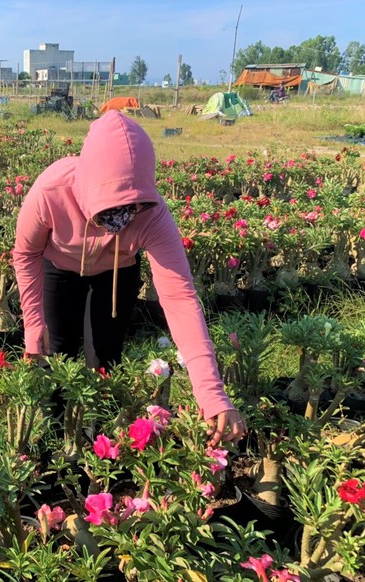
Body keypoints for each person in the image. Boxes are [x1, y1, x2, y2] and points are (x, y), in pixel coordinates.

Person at [12, 110, 245, 445]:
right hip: (59, 269)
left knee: (104, 359)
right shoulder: (52, 191)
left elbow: (180, 298)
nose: (122, 218)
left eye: (132, 206)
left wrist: (211, 394)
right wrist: (33, 326)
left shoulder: (152, 215)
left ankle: (101, 442)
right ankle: (57, 438)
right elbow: (25, 254)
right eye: (109, 208)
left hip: (116, 274)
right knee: (56, 352)